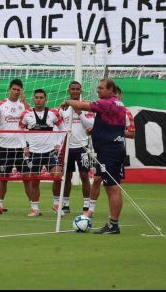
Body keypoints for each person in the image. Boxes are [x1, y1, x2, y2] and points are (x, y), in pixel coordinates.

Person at [62, 78, 126, 234]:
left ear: (111, 90)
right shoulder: (117, 103)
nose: (98, 90)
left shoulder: (107, 103)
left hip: (110, 150)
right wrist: (96, 131)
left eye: (101, 88)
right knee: (107, 185)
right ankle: (110, 222)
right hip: (111, 149)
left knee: (113, 188)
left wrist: (68, 101)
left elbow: (83, 105)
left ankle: (113, 225)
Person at [88, 85, 135, 218]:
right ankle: (90, 209)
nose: (115, 99)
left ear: (120, 96)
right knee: (96, 179)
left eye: (117, 96)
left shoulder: (125, 112)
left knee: (112, 186)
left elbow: (132, 134)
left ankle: (113, 220)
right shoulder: (104, 109)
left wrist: (114, 132)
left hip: (114, 151)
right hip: (102, 151)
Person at [20, 89, 64, 217]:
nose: (38, 99)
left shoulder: (53, 113)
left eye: (41, 97)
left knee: (58, 176)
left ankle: (56, 204)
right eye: (36, 97)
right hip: (33, 153)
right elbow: (20, 131)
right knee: (34, 181)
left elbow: (63, 129)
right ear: (33, 99)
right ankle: (35, 208)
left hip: (50, 152)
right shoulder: (27, 114)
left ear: (46, 99)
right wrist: (25, 147)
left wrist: (58, 144)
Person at [0, 79, 31, 214]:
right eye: (14, 89)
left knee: (26, 177)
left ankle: (34, 207)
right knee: (3, 178)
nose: (16, 92)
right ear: (9, 89)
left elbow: (33, 116)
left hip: (20, 147)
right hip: (5, 148)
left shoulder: (23, 105)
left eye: (18, 90)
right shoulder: (0, 105)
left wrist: (24, 100)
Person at [57, 81, 95, 216]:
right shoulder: (63, 108)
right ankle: (66, 204)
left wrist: (80, 113)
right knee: (67, 176)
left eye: (77, 89)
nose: (75, 91)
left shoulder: (86, 105)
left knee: (84, 175)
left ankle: (86, 205)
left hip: (83, 145)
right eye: (72, 89)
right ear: (69, 90)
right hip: (67, 146)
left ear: (81, 91)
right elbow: (60, 127)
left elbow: (90, 124)